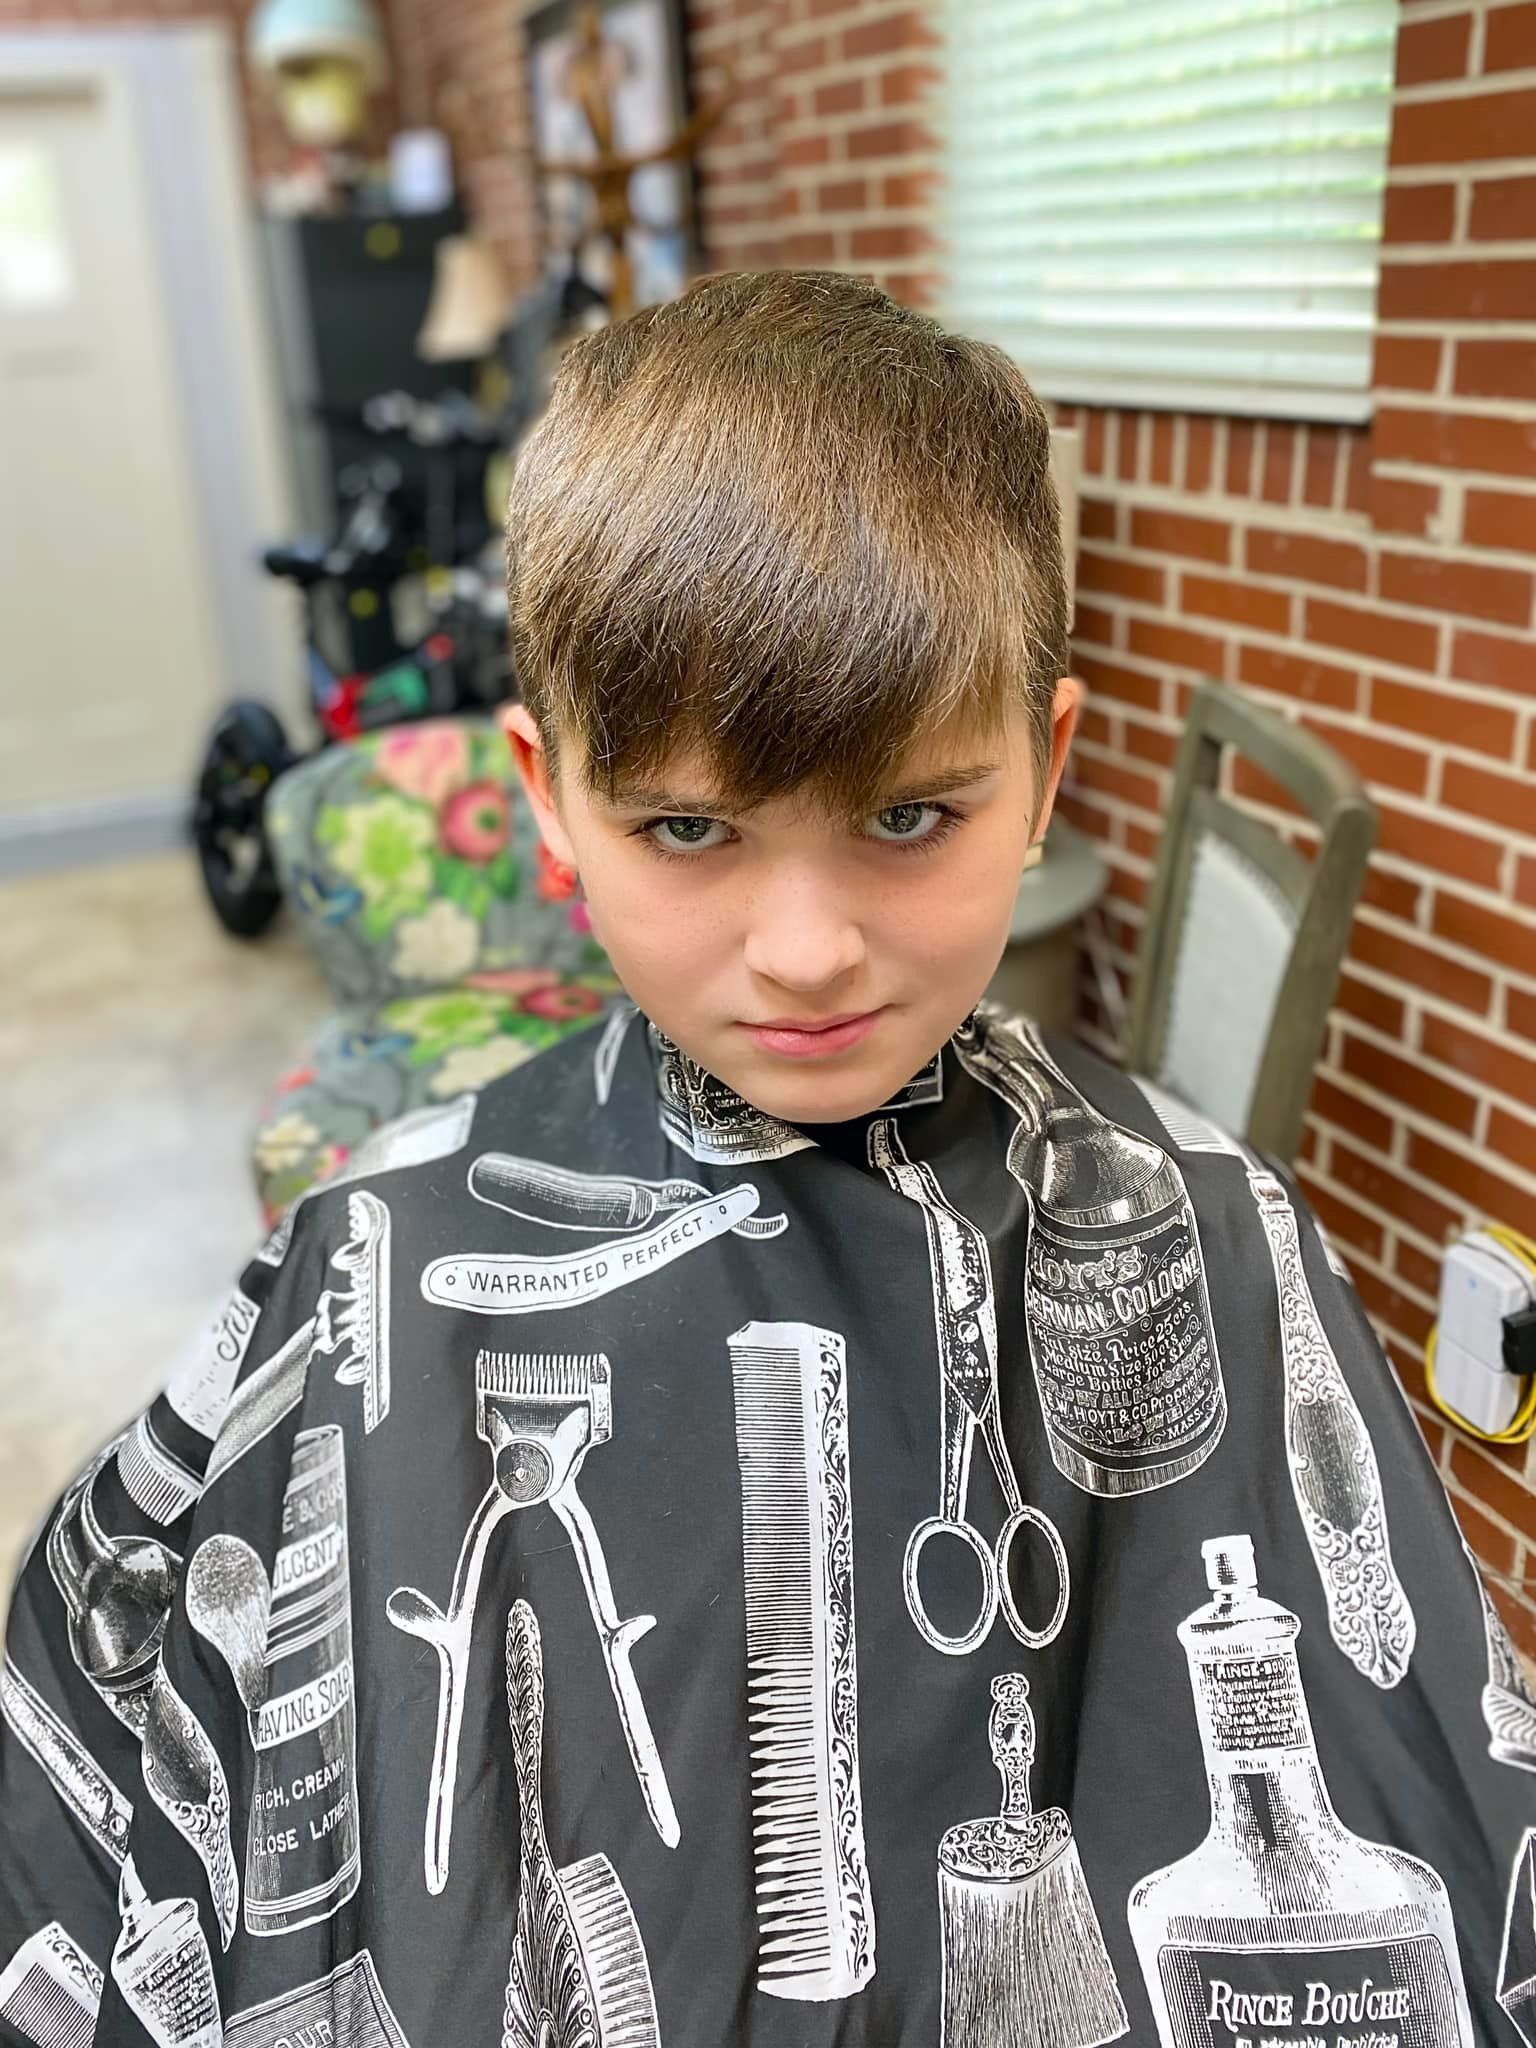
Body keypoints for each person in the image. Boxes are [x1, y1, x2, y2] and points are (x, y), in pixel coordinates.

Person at [0, 270, 1528, 2048]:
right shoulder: (383, 1258)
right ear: (551, 801)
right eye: (688, 828)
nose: (806, 950)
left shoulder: (1212, 1227)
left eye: (906, 817)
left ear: (1043, 776)